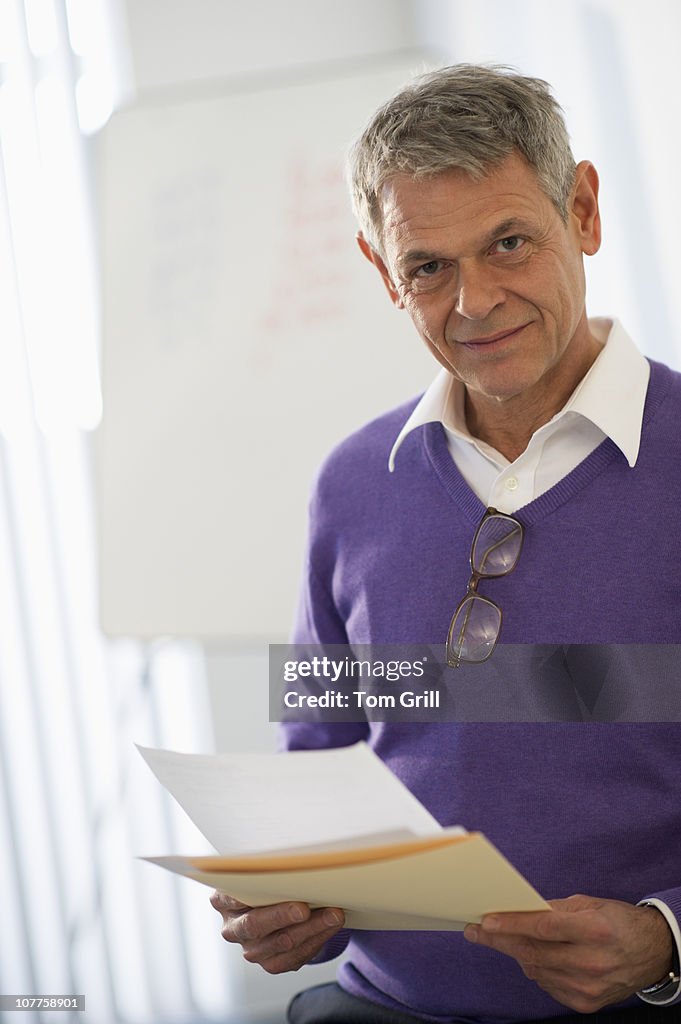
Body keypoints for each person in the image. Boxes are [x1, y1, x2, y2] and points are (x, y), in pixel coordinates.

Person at [211, 65, 681, 1023]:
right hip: (376, 1008)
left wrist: (666, 937)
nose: (473, 302)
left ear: (582, 212)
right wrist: (295, 904)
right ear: (382, 270)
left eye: (508, 243)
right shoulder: (349, 484)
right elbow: (319, 760)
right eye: (427, 266)